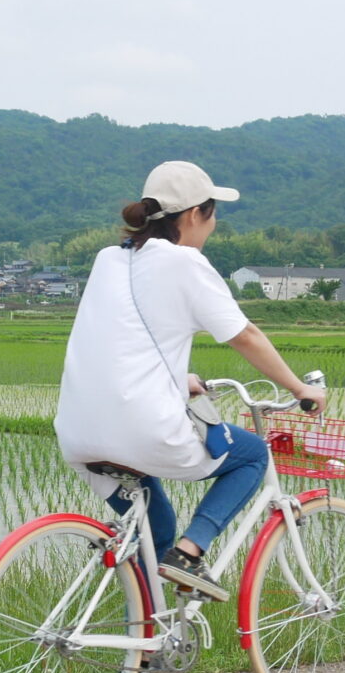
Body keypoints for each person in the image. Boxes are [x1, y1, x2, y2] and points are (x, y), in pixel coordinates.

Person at [55, 159, 325, 608]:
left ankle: (144, 662)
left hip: (78, 434)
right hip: (141, 429)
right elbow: (246, 336)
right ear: (195, 214)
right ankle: (191, 551)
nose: (214, 225)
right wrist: (300, 389)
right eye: (214, 213)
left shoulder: (109, 258)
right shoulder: (185, 263)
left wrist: (178, 378)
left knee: (153, 528)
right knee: (252, 454)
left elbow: (117, 339)